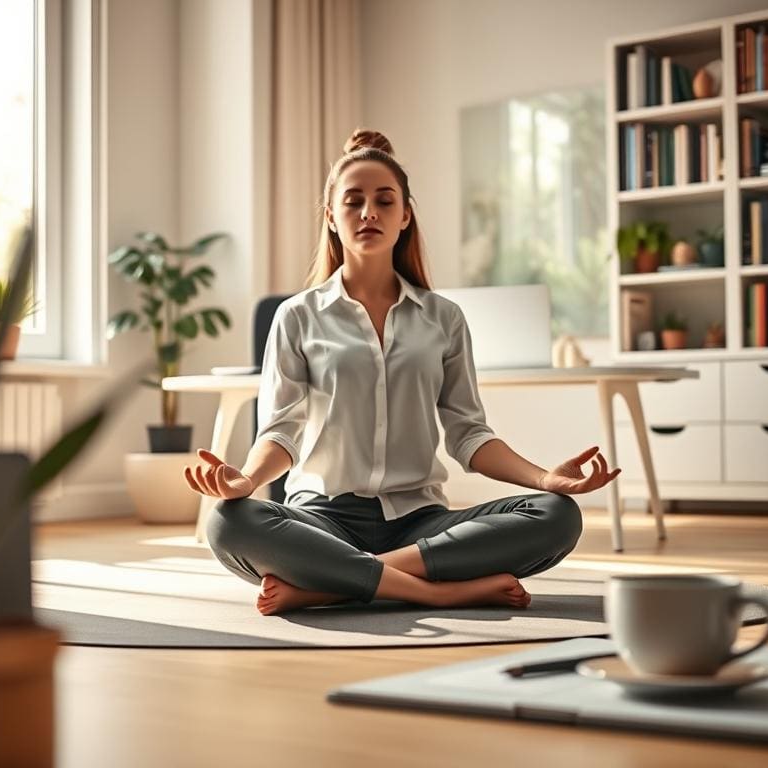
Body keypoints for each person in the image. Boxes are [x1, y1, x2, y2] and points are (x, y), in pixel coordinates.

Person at [184, 129, 620, 616]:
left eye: (384, 201)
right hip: (322, 519)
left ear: (405, 215)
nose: (369, 212)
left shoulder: (444, 317)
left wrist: (545, 480)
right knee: (228, 523)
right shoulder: (298, 316)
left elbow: (470, 437)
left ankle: (334, 583)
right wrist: (244, 481)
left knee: (556, 516)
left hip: (420, 524)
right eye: (353, 201)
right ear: (331, 217)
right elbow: (281, 434)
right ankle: (435, 590)